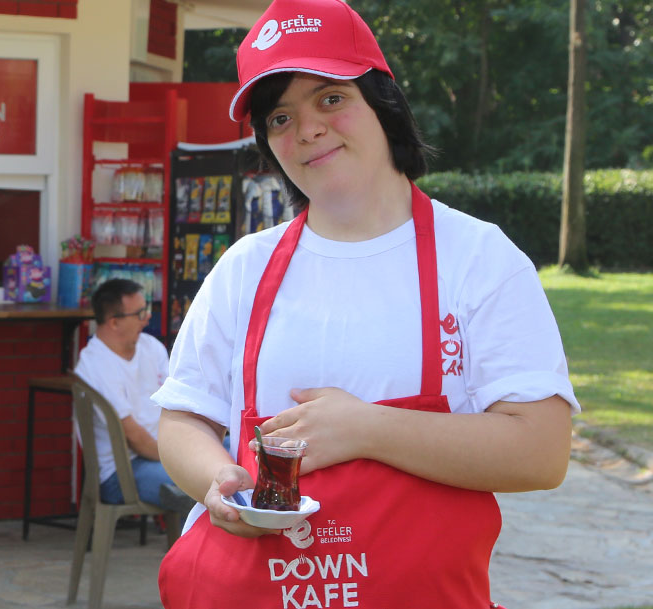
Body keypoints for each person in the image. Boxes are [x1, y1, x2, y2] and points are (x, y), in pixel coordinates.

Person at [151, 1, 579, 607]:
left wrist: (368, 430)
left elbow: (541, 452)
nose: (307, 130)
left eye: (331, 98)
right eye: (280, 117)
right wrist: (216, 481)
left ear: (384, 103)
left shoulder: (479, 259)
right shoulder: (244, 269)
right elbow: (184, 419)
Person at [73, 278, 172, 507]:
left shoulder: (151, 347)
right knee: (203, 482)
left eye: (147, 309)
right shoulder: (95, 364)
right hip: (122, 471)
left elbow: (177, 406)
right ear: (114, 323)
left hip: (163, 453)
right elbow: (134, 438)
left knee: (238, 454)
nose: (148, 317)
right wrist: (184, 460)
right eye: (140, 313)